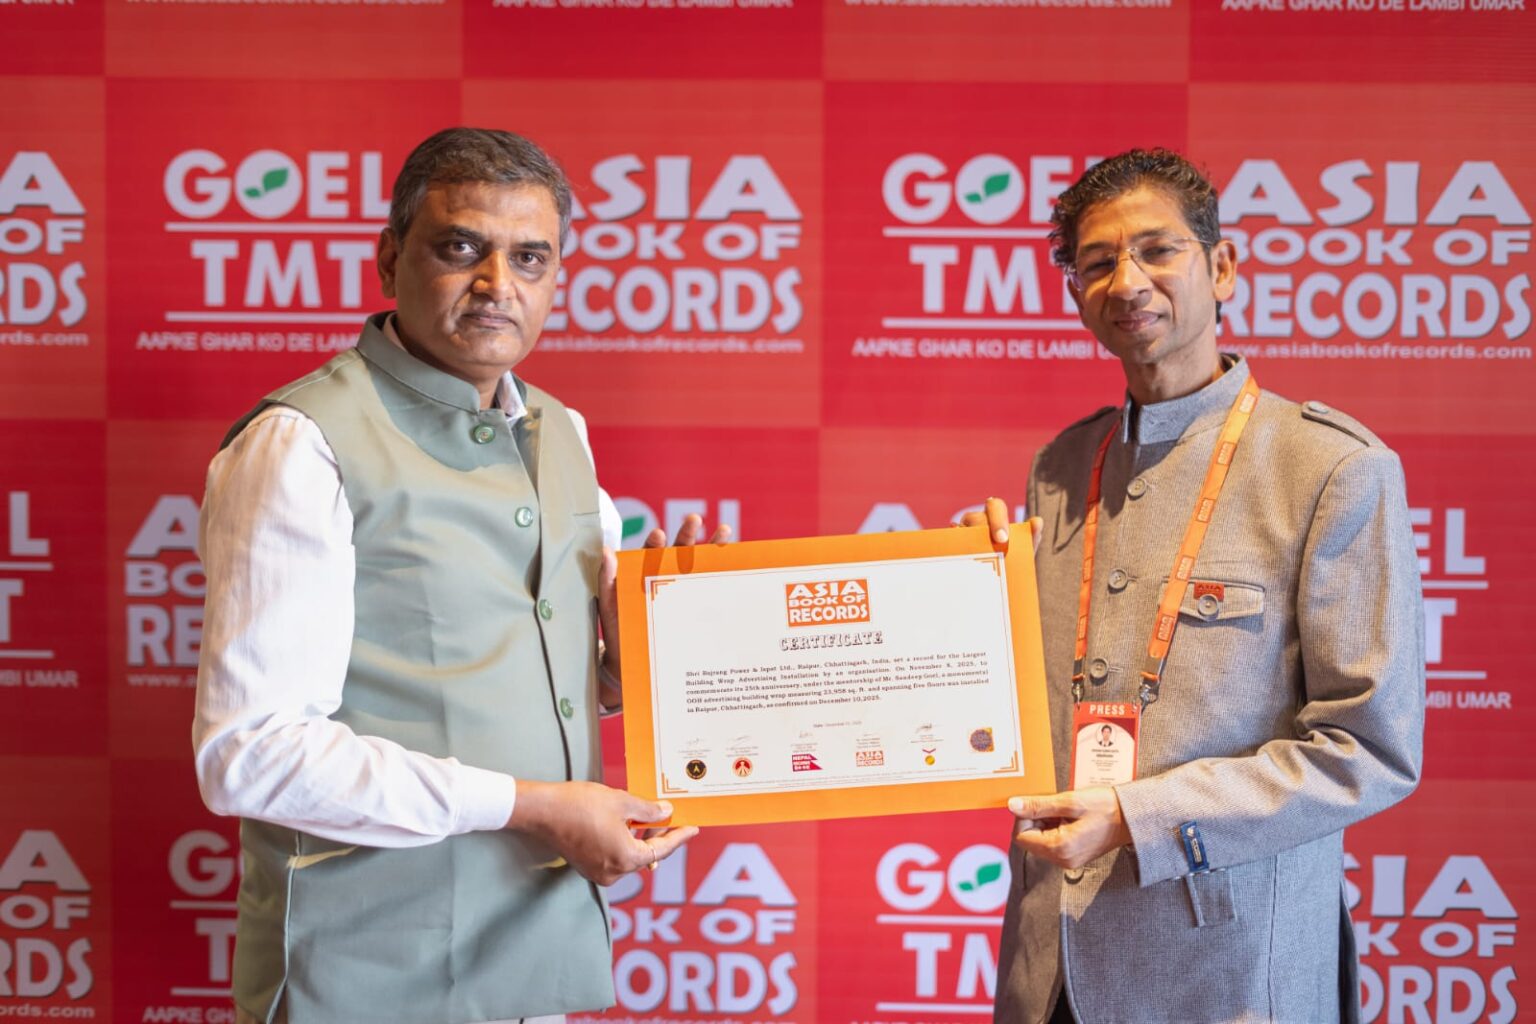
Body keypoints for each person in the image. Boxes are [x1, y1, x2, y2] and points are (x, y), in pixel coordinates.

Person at [192, 127, 722, 1024]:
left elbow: (520, 687)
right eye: (461, 248)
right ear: (389, 258)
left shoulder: (563, 433)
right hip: (364, 972)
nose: (497, 284)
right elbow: (250, 757)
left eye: (530, 258)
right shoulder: (300, 442)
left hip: (534, 957)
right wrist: (534, 806)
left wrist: (622, 670)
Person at [972, 149, 1424, 1023]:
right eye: (1097, 263)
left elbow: (1370, 750)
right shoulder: (1061, 466)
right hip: (1048, 967)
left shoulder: (1328, 467)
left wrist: (1138, 818)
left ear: (1222, 268)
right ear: (1075, 292)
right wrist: (969, 589)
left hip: (1228, 972)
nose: (1127, 282)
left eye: (1157, 251)